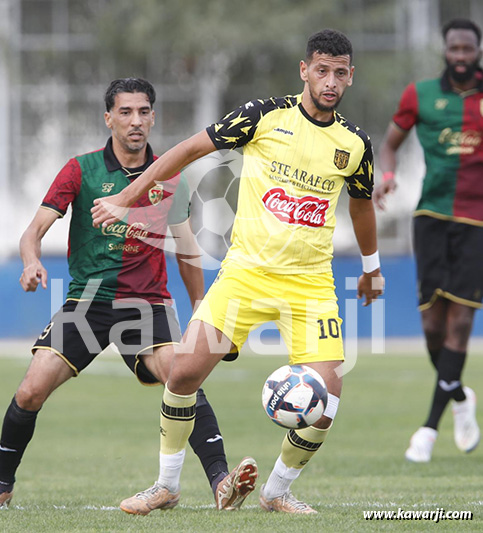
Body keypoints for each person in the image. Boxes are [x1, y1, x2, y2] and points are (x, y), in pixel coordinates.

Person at [92, 31, 383, 515]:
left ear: (350, 76)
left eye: (340, 72)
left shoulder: (354, 144)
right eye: (322, 70)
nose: (330, 81)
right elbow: (186, 151)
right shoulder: (263, 115)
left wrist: (371, 268)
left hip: (310, 285)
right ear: (304, 70)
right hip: (245, 273)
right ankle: (166, 486)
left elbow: (362, 204)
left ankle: (277, 492)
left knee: (327, 398)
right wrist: (126, 197)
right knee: (183, 373)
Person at [0, 78, 257, 512]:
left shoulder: (168, 177)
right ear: (109, 118)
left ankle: (221, 482)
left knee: (182, 376)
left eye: (143, 112)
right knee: (30, 391)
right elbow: (34, 232)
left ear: (153, 117)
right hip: (88, 303)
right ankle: (0, 485)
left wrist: (200, 309)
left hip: (147, 306)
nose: (135, 121)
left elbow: (188, 249)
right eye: (125, 112)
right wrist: (31, 262)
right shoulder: (80, 170)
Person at [374, 19, 482, 462]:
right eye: (453, 48)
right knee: (432, 327)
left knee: (459, 323)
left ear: (477, 51)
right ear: (445, 50)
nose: (460, 56)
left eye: (467, 49)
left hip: (477, 223)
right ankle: (460, 398)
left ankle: (428, 429)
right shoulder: (419, 94)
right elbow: (390, 144)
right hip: (430, 218)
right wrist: (387, 175)